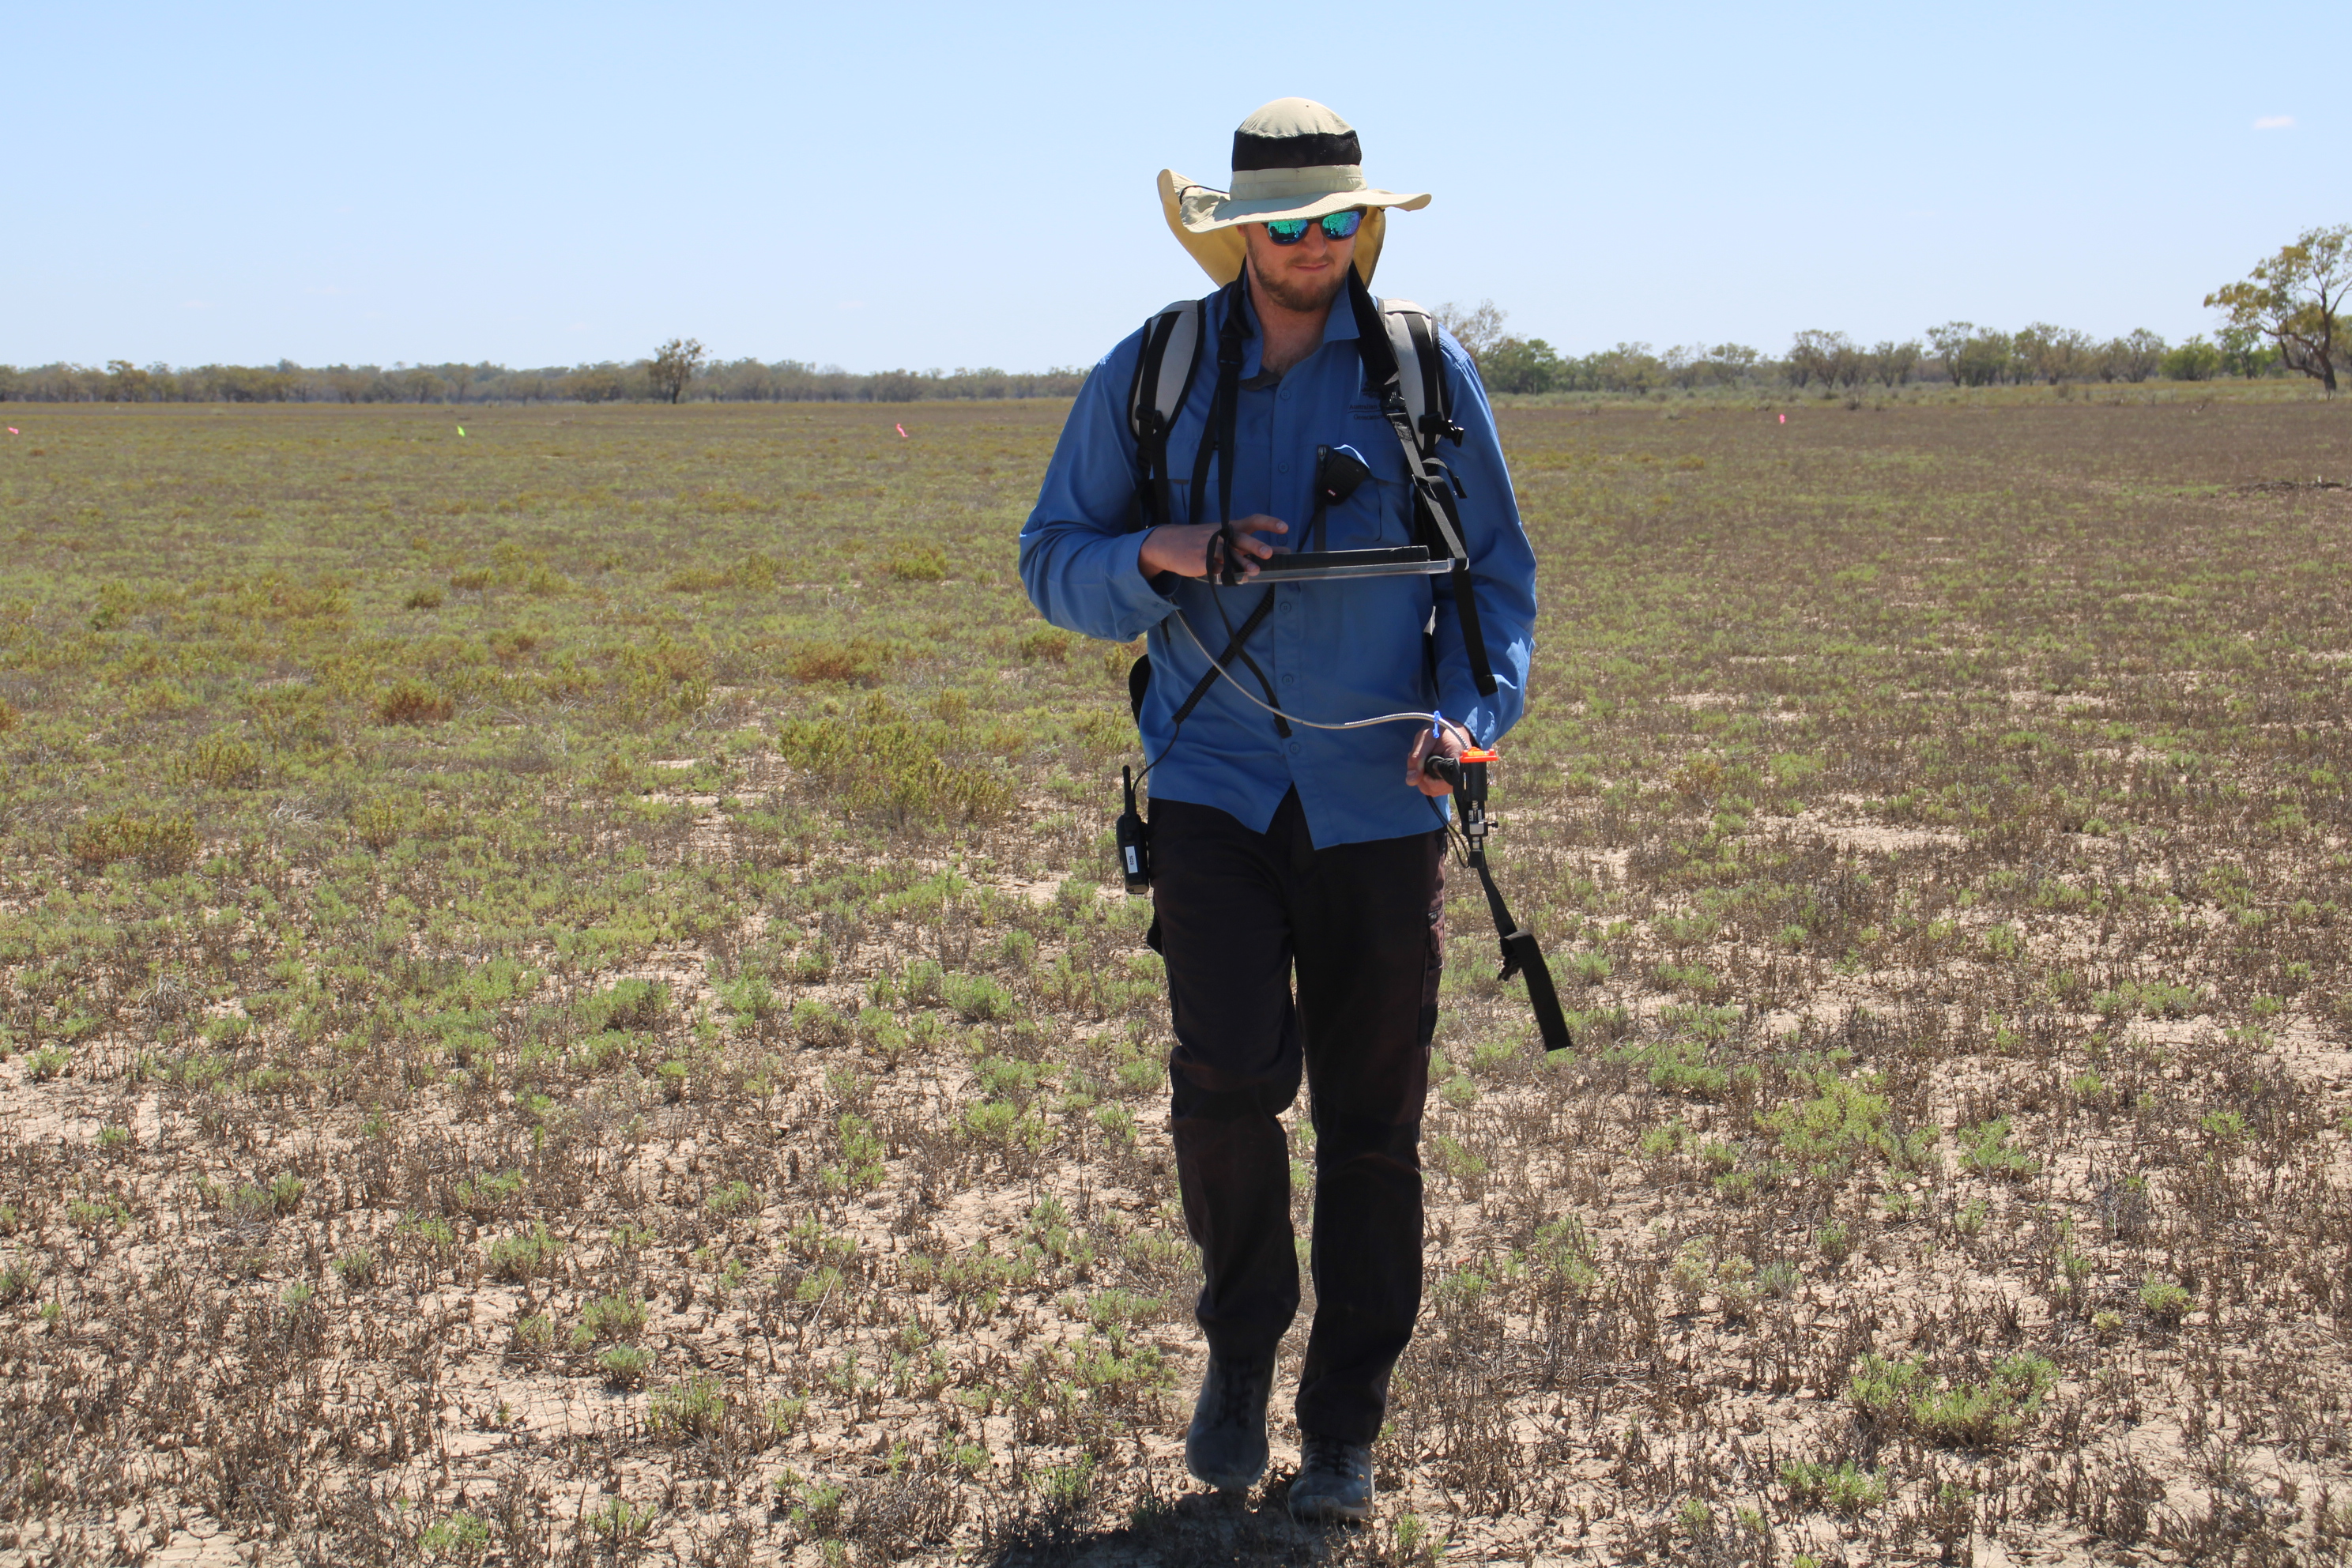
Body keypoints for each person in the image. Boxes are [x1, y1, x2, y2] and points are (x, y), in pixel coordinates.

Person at [1018, 98, 1537, 1525]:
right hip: (1212, 787)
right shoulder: (1159, 371)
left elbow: (1490, 584)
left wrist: (1469, 722)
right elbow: (1050, 559)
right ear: (1238, 232)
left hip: (1384, 804)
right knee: (1227, 1082)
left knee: (1376, 1123)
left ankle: (1348, 1426)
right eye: (1282, 225)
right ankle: (1241, 1354)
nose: (1310, 247)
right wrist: (1163, 553)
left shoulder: (1427, 374)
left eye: (1332, 222)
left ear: (1362, 223)